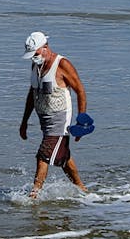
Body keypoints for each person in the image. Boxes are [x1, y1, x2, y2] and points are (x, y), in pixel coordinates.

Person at [19, 31, 89, 199]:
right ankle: (82, 190)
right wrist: (25, 121)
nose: (33, 58)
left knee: (43, 154)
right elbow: (32, 93)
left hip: (60, 119)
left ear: (45, 47)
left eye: (35, 54)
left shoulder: (62, 64)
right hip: (44, 120)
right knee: (63, 157)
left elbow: (80, 90)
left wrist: (81, 120)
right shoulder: (36, 65)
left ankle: (34, 195)